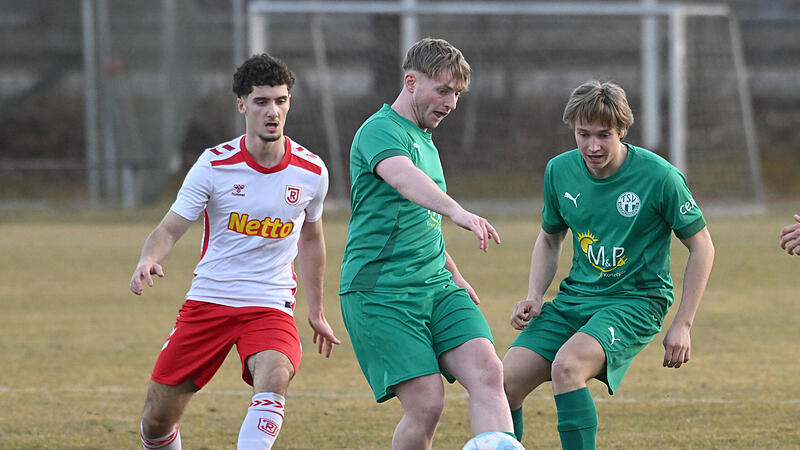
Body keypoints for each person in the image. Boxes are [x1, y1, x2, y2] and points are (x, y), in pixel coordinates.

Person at [129, 53, 340, 450]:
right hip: (210, 299)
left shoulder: (312, 171)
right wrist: (148, 258)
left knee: (275, 375)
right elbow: (170, 228)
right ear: (242, 105)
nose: (273, 111)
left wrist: (315, 310)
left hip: (270, 303)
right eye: (261, 101)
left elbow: (311, 239)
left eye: (281, 100)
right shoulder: (214, 164)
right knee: (156, 421)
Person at [502, 81, 715, 449]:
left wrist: (683, 324)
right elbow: (550, 238)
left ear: (622, 131)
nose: (593, 146)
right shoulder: (559, 171)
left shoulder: (660, 177)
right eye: (583, 134)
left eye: (604, 135)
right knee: (503, 383)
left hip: (636, 301)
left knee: (567, 367)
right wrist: (534, 296)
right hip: (575, 299)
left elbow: (702, 247)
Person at [338, 38, 518, 449]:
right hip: (380, 292)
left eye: (457, 94)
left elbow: (422, 221)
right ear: (411, 82)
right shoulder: (379, 130)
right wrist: (458, 212)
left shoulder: (426, 141)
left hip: (436, 286)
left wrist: (455, 275)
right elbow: (403, 179)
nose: (451, 103)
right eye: (443, 90)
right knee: (426, 404)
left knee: (489, 372)